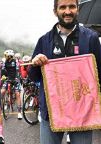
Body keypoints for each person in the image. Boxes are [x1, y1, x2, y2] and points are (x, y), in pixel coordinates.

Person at [29, 0, 101, 144]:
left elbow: (99, 72)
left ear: (77, 10)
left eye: (72, 7)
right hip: (52, 113)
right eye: (62, 7)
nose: (67, 11)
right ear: (55, 11)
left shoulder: (91, 38)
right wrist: (35, 64)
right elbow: (34, 76)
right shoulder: (44, 40)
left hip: (83, 113)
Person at [1, 49, 22, 119]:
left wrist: (17, 78)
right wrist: (2, 76)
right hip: (8, 79)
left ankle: (19, 112)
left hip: (15, 79)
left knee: (17, 94)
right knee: (2, 91)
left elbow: (17, 71)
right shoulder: (5, 62)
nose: (5, 57)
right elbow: (3, 70)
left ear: (10, 56)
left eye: (6, 56)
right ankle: (6, 103)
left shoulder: (15, 62)